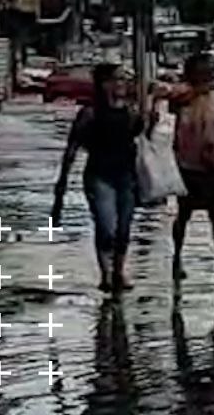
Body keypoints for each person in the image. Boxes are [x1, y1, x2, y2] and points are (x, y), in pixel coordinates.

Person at [53, 63, 150, 293]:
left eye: (124, 80)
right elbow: (72, 149)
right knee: (106, 227)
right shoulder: (89, 114)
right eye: (117, 79)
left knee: (124, 228)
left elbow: (141, 136)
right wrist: (61, 185)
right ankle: (106, 273)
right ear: (104, 84)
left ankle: (118, 272)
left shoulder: (131, 111)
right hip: (99, 176)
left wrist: (148, 115)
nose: (122, 84)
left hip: (126, 176)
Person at [165, 53, 214, 286]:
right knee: (186, 215)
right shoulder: (185, 93)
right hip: (192, 164)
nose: (213, 73)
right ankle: (178, 259)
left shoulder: (212, 96)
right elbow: (175, 105)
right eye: (209, 69)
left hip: (212, 163)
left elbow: (213, 122)